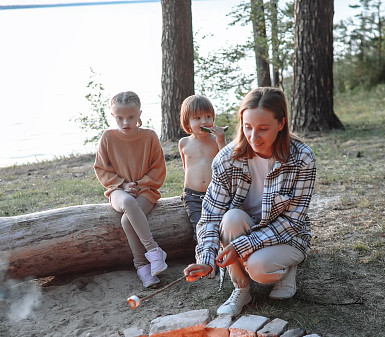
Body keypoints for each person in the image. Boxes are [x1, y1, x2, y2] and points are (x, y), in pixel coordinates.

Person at [183, 87, 317, 316]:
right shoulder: (226, 159)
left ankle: (287, 268)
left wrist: (242, 246)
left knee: (259, 268)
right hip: (243, 227)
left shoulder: (302, 159)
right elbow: (211, 215)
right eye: (247, 127)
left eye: (263, 129)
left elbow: (292, 221)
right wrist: (206, 258)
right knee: (231, 217)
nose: (253, 137)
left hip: (288, 235)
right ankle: (241, 289)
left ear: (281, 124)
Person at [94, 90, 168, 288]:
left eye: (131, 117)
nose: (125, 122)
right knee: (127, 202)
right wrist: (124, 184)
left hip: (146, 190)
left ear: (139, 114)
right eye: (120, 118)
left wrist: (141, 184)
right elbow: (101, 168)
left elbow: (158, 168)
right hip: (117, 190)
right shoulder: (108, 137)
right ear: (113, 116)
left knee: (128, 220)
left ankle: (141, 266)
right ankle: (154, 250)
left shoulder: (150, 136)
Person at [178, 94, 228, 239]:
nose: (204, 121)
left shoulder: (216, 141)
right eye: (198, 118)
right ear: (187, 123)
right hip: (192, 196)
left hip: (216, 194)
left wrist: (221, 140)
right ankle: (204, 257)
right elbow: (186, 167)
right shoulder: (184, 143)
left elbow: (226, 160)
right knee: (199, 228)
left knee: (219, 227)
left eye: (208, 117)